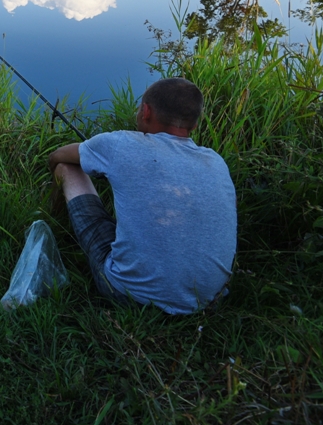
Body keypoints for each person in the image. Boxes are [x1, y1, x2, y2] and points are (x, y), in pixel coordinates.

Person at [46, 78, 235, 314]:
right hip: (206, 300)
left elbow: (56, 156)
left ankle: (53, 221)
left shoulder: (119, 144)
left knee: (66, 167)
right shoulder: (216, 162)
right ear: (195, 125)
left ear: (145, 112)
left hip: (128, 295)